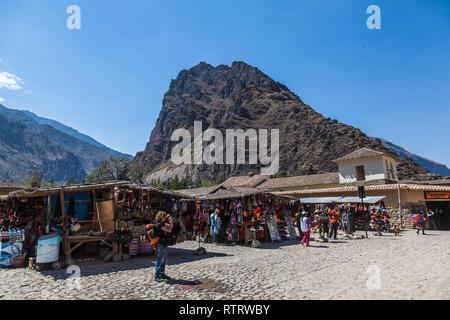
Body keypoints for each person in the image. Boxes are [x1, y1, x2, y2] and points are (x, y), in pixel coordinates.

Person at [154, 211, 173, 282]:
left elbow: (169, 228)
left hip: (163, 243)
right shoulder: (159, 225)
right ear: (161, 217)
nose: (166, 217)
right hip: (161, 243)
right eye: (164, 216)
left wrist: (170, 222)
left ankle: (162, 273)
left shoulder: (161, 224)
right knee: (160, 259)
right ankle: (157, 275)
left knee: (164, 259)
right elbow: (169, 230)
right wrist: (170, 222)